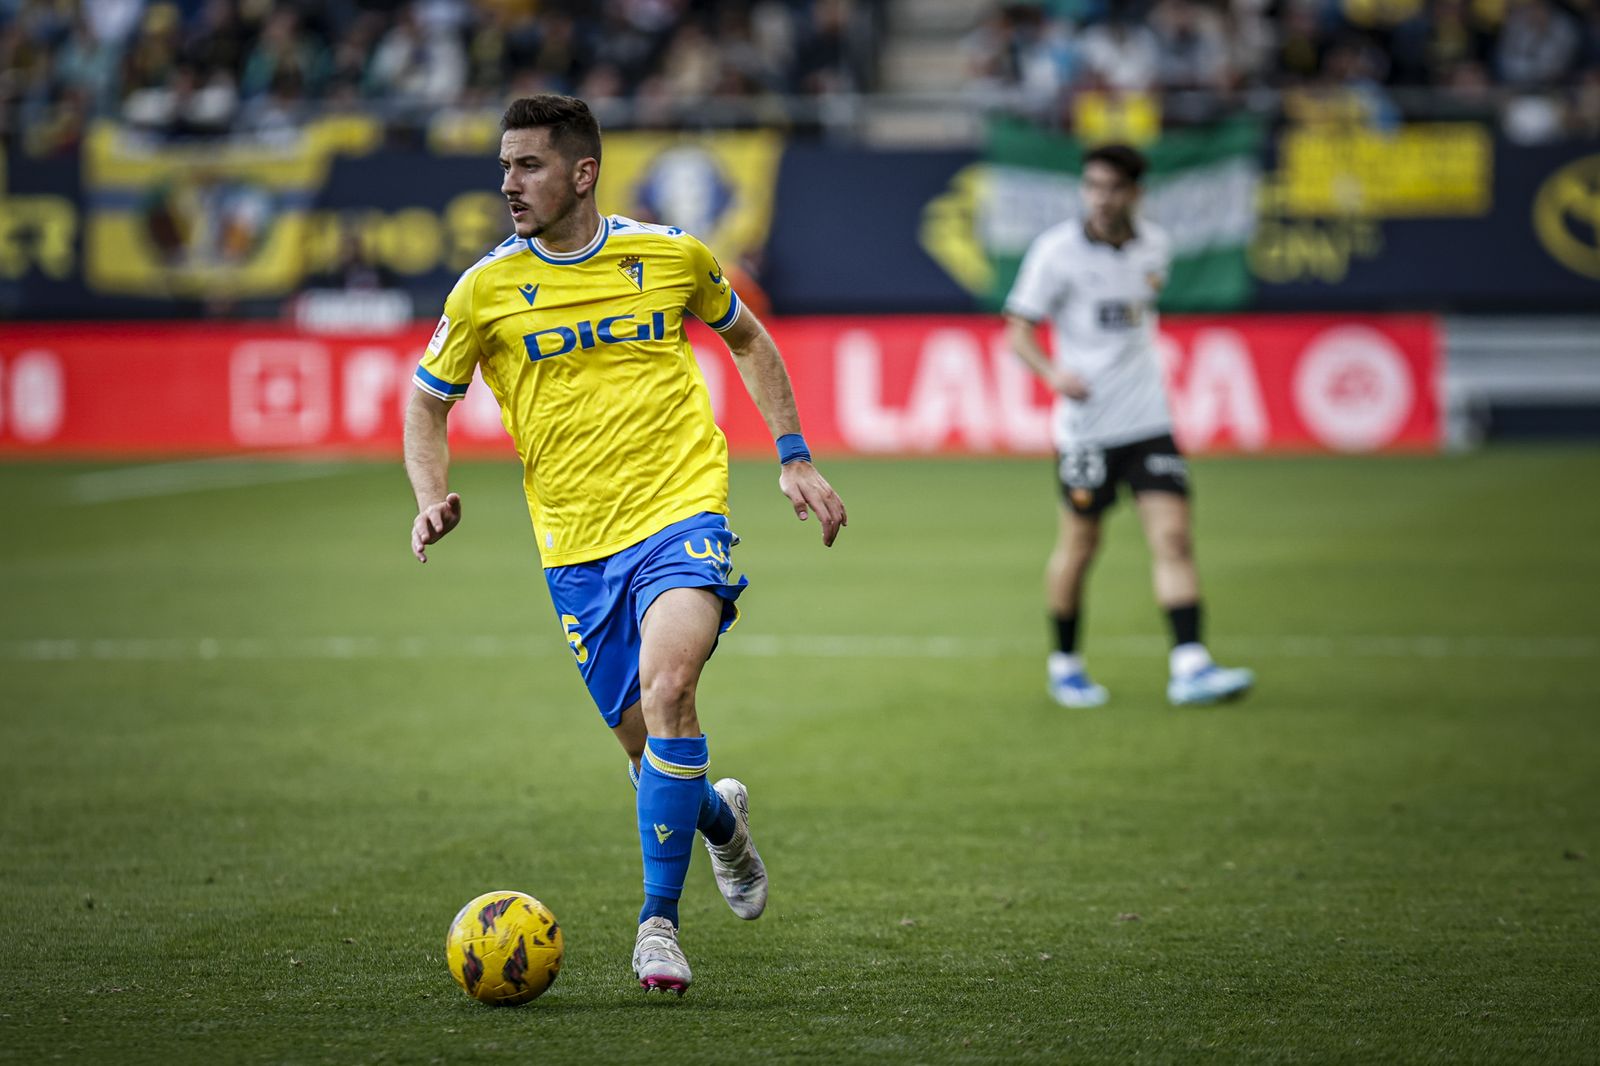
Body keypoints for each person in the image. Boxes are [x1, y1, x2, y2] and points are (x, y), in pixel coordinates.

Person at [403, 94, 847, 995]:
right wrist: (429, 494)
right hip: (575, 547)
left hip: (682, 511)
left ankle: (657, 928)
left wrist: (793, 456)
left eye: (527, 166)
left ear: (582, 172)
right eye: (503, 166)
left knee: (671, 684)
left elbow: (749, 338)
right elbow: (426, 400)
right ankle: (720, 821)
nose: (508, 184)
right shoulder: (484, 289)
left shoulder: (669, 255)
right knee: (652, 755)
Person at [1003, 143, 1252, 709]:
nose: (1099, 197)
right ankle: (1065, 664)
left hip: (1149, 421)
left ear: (1135, 193)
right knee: (1082, 545)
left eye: (1112, 187)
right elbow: (1017, 331)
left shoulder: (1155, 246)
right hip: (1086, 429)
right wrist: (1051, 372)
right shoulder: (1056, 252)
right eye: (1091, 185)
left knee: (1173, 538)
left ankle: (1190, 665)